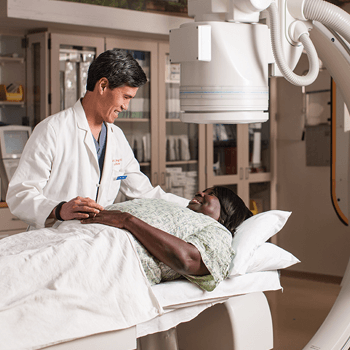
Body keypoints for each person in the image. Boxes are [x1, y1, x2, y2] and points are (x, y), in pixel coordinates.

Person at [6, 49, 189, 230]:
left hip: (92, 243)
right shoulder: (52, 130)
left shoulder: (116, 137)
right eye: (125, 97)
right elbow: (19, 194)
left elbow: (144, 192)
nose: (126, 106)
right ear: (102, 86)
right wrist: (60, 209)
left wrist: (191, 207)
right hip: (52, 242)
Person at [81, 186, 253, 291]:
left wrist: (128, 220)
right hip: (82, 233)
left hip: (105, 252)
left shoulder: (218, 232)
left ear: (226, 211)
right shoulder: (181, 211)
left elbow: (188, 259)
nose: (200, 192)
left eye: (211, 193)